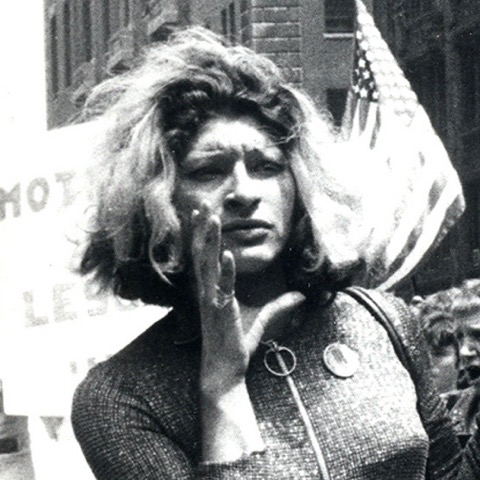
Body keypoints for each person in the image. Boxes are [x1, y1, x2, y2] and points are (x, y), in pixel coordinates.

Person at [71, 27, 480, 479]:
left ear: (302, 185)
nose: (244, 192)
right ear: (156, 201)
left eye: (266, 166)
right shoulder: (121, 397)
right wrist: (222, 388)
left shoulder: (382, 322)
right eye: (208, 170)